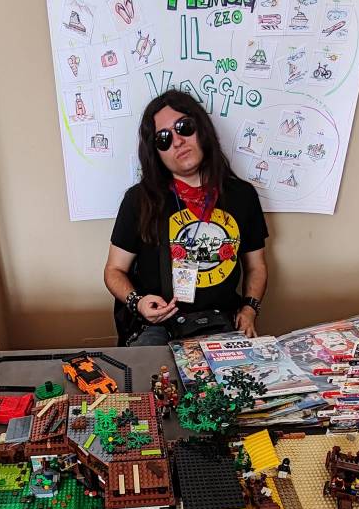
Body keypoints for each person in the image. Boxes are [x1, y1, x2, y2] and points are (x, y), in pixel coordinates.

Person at [105, 90, 269, 346]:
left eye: (184, 127)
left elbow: (256, 266)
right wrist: (138, 302)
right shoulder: (138, 200)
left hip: (221, 321)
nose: (178, 141)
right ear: (156, 152)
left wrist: (249, 309)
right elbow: (114, 270)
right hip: (158, 325)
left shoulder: (242, 195)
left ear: (201, 128)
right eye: (164, 138)